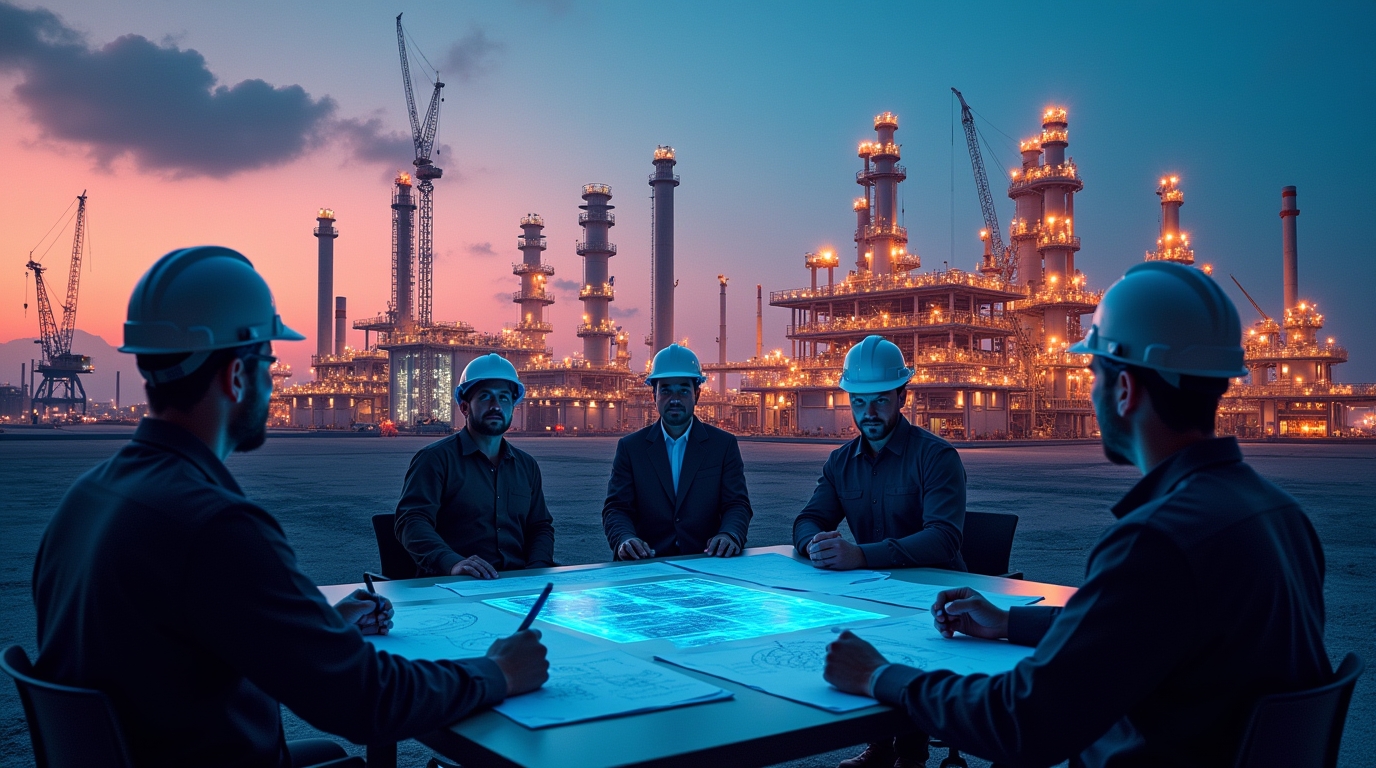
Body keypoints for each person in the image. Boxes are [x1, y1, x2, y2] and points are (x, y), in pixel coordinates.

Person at [31, 247, 549, 768]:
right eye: (269, 365)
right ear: (237, 375)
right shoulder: (218, 525)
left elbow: (192, 637)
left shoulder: (88, 497)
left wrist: (323, 624)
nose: (273, 382)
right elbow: (365, 701)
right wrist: (496, 673)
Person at [824, 262, 1330, 767]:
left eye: (1094, 377)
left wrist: (879, 676)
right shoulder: (1281, 515)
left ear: (1125, 390)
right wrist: (1007, 622)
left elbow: (1025, 722)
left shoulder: (1155, 541)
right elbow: (1137, 625)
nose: (1089, 394)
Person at [795, 334, 967, 768]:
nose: (867, 414)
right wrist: (816, 543)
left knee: (899, 642)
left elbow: (944, 538)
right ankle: (881, 745)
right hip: (872, 592)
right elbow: (806, 519)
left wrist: (860, 555)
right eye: (858, 402)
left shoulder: (936, 457)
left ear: (902, 396)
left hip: (934, 595)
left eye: (879, 401)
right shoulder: (840, 462)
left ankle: (909, 754)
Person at [395, 353, 555, 578]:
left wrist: (537, 569)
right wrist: (452, 563)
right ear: (464, 407)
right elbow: (412, 521)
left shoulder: (526, 466)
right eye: (485, 397)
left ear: (513, 408)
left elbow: (540, 526)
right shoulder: (435, 460)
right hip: (456, 584)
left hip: (516, 581)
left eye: (504, 398)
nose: (496, 406)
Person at [603, 344, 753, 560]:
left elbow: (737, 504)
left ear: (697, 394)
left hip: (706, 561)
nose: (674, 399)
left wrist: (729, 534)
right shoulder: (631, 448)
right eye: (665, 390)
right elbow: (616, 508)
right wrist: (625, 539)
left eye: (683, 390)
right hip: (646, 562)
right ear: (654, 395)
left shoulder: (722, 445)